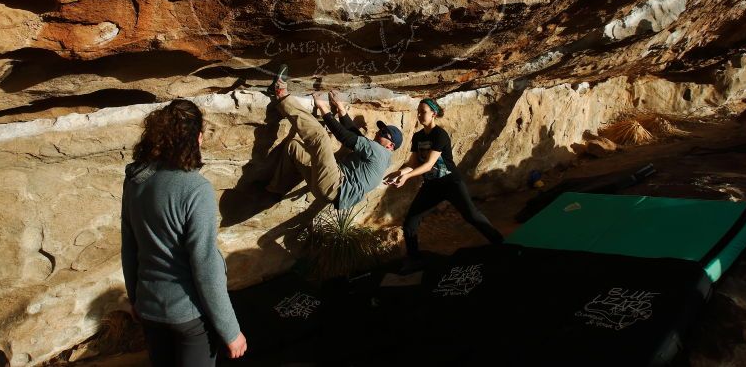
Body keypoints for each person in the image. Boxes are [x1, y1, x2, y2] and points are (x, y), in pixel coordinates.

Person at [121, 99, 247, 366]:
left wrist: (135, 297)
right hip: (188, 317)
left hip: (149, 307)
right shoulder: (195, 189)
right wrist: (231, 331)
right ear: (197, 138)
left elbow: (129, 246)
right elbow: (206, 267)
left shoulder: (136, 180)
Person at [385, 98, 503, 270]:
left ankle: (500, 243)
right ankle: (414, 258)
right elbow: (413, 162)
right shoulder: (418, 137)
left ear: (433, 113)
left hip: (450, 183)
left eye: (423, 111)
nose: (419, 115)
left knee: (471, 215)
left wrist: (407, 177)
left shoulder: (440, 134)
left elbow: (428, 165)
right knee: (410, 222)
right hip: (432, 186)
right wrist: (399, 173)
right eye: (418, 111)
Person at [266, 66, 403, 209]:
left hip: (335, 185)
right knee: (294, 147)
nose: (377, 133)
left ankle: (280, 93)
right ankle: (276, 189)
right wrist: (341, 109)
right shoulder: (383, 159)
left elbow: (345, 137)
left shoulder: (379, 152)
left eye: (383, 133)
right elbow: (357, 137)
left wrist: (323, 108)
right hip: (327, 192)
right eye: (380, 130)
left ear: (390, 145)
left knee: (320, 137)